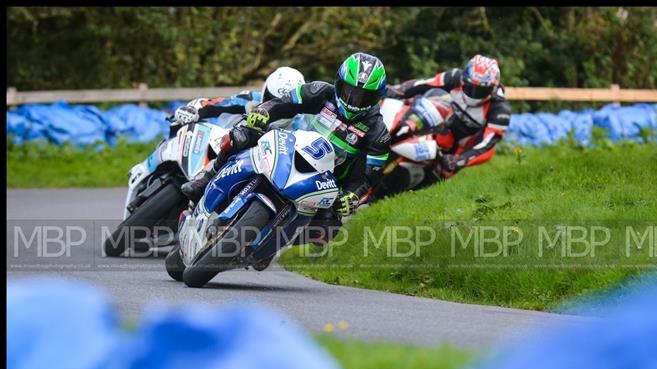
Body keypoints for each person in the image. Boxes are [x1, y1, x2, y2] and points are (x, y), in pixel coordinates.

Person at [180, 52, 391, 241]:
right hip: (288, 148)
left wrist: (353, 197)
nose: (354, 100)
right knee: (242, 135)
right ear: (338, 82)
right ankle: (206, 180)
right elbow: (284, 103)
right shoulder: (320, 91)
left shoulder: (378, 133)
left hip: (327, 181)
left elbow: (368, 177)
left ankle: (275, 242)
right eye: (349, 91)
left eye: (364, 96)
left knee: (326, 230)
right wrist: (264, 112)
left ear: (378, 97)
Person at [385, 54, 511, 179]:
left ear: (492, 89)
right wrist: (397, 90)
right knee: (409, 107)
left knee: (437, 174)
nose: (473, 94)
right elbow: (425, 84)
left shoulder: (500, 110)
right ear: (463, 79)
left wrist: (460, 160)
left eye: (480, 90)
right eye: (469, 87)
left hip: (458, 149)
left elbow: (486, 144)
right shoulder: (454, 76)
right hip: (436, 126)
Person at [169, 66, 306, 133]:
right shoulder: (251, 99)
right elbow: (220, 103)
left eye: (282, 104)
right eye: (270, 99)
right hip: (228, 148)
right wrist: (195, 110)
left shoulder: (301, 124)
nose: (273, 106)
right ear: (265, 90)